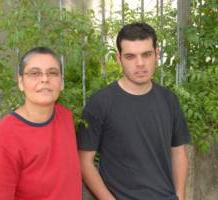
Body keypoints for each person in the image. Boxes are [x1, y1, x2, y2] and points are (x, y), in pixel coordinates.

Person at [77, 22, 191, 200]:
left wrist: (180, 197)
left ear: (157, 54)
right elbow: (85, 162)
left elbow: (178, 152)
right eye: (130, 56)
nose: (140, 63)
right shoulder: (100, 103)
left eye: (146, 54)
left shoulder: (169, 100)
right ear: (118, 58)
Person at [0, 47, 81, 200]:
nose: (45, 79)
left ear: (62, 82)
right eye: (34, 73)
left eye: (52, 73)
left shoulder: (65, 116)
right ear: (21, 82)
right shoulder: (0, 141)